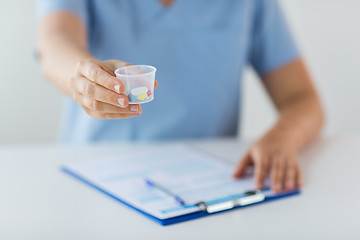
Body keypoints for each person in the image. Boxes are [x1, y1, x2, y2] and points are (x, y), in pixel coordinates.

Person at [36, 0, 324, 193]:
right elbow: (55, 42)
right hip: (96, 176)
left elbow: (303, 99)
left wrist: (283, 137)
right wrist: (85, 76)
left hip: (205, 184)